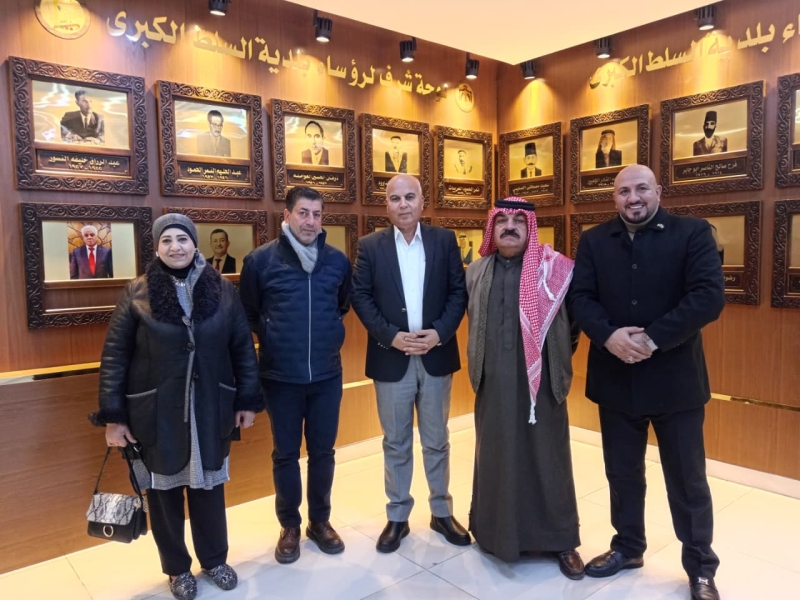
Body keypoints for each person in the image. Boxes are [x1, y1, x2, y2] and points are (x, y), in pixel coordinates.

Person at [569, 165, 725, 600]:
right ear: (614, 198)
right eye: (624, 191)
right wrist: (609, 336)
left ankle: (700, 567)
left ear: (658, 191)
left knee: (688, 481)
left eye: (641, 189)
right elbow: (580, 298)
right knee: (622, 474)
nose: (633, 198)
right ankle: (628, 547)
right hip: (615, 379)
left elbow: (708, 298)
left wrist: (651, 339)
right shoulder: (594, 240)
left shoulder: (692, 233)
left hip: (676, 382)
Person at [91, 213, 262, 600]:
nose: (175, 247)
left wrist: (247, 399)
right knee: (163, 495)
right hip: (157, 412)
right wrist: (113, 417)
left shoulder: (222, 289)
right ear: (156, 248)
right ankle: (177, 569)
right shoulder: (137, 292)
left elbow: (241, 347)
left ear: (194, 243)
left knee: (208, 488)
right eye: (166, 240)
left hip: (210, 408)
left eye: (182, 239)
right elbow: (115, 356)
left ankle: (214, 560)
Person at [465, 197, 584, 579]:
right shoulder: (476, 271)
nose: (510, 226)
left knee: (548, 457)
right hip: (493, 385)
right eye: (502, 220)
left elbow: (573, 324)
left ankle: (561, 540)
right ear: (492, 227)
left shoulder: (555, 269)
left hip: (542, 386)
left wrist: (551, 359)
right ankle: (493, 533)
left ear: (530, 227)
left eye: (519, 220)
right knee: (495, 454)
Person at [351, 174, 469, 554]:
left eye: (409, 197)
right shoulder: (370, 246)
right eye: (395, 198)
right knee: (396, 442)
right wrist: (391, 336)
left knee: (437, 440)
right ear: (386, 205)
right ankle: (398, 515)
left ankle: (441, 512)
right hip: (391, 358)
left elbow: (458, 292)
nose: (403, 204)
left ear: (422, 202)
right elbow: (361, 297)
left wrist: (440, 333)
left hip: (435, 355)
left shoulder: (444, 240)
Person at [239, 186, 351, 565]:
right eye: (303, 213)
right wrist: (273, 336)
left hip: (326, 376)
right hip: (280, 377)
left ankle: (320, 521)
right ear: (286, 215)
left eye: (317, 214)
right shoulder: (260, 261)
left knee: (323, 452)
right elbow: (249, 313)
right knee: (285, 454)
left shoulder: (337, 261)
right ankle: (289, 526)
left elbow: (342, 305)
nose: (310, 221)